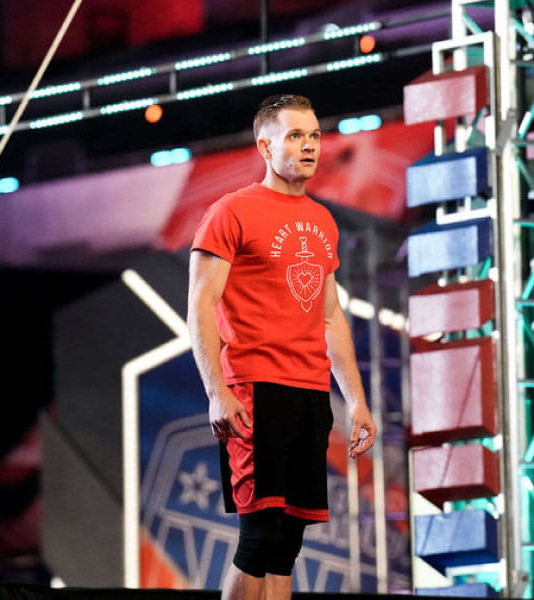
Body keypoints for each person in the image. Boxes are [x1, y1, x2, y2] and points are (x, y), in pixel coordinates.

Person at [186, 93, 376, 600]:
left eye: (314, 135)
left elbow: (330, 315)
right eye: (295, 135)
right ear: (265, 147)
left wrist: (356, 399)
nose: (309, 145)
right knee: (259, 537)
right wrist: (216, 391)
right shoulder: (231, 212)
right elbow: (201, 306)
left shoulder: (323, 220)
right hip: (254, 388)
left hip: (310, 392)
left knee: (287, 544)